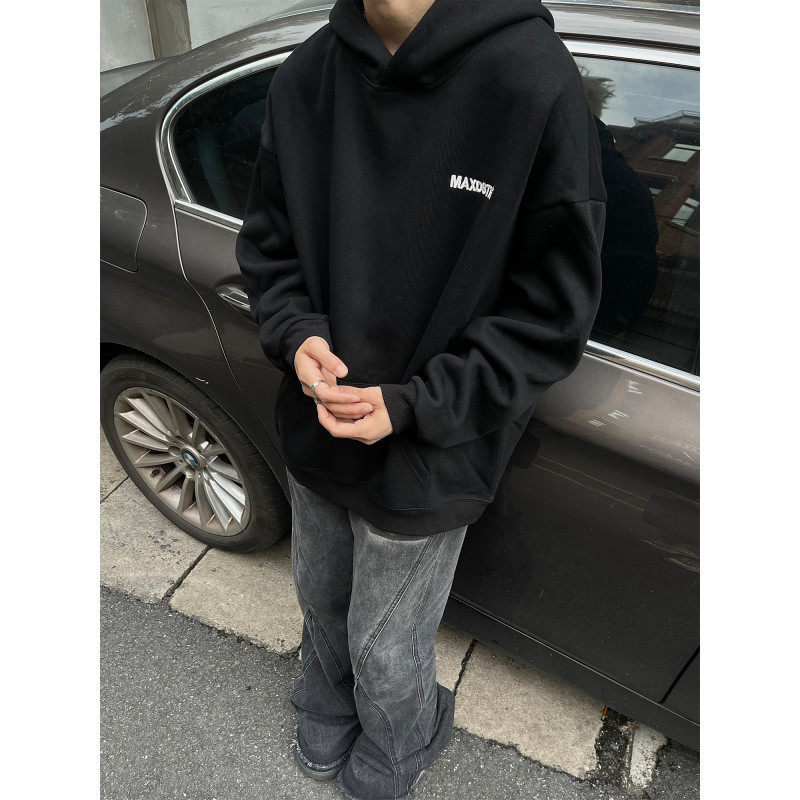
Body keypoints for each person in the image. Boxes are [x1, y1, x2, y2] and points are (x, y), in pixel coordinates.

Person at [235, 1, 606, 798]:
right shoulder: (308, 74)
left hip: (434, 443)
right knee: (319, 598)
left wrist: (415, 405)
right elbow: (269, 245)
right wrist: (295, 332)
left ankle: (402, 739)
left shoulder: (532, 81)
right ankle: (326, 694)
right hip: (317, 418)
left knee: (387, 644)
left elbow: (552, 315)